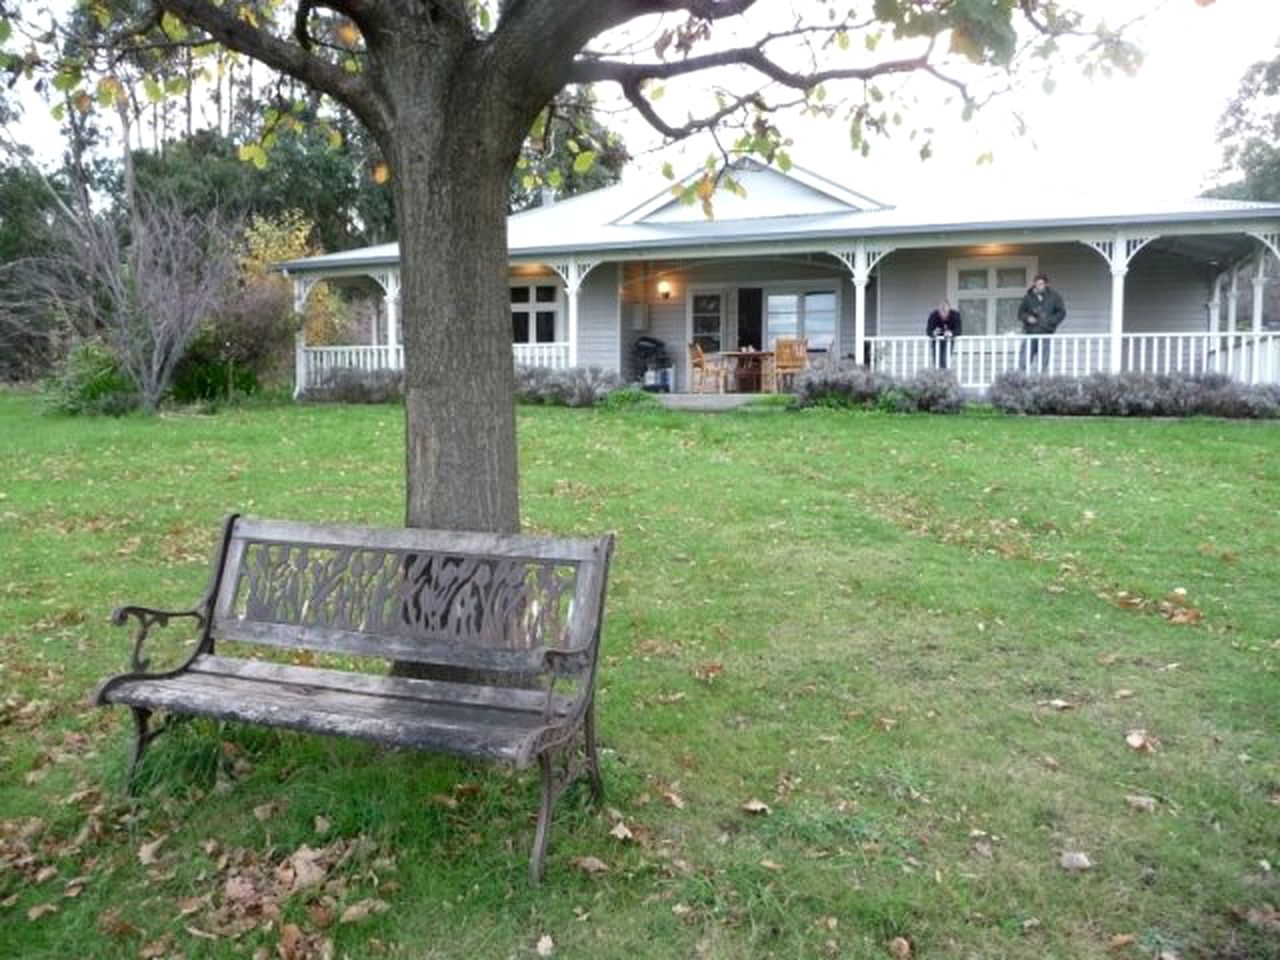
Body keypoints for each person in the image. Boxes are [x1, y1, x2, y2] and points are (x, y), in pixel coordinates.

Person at [1017, 273, 1066, 373]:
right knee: (1024, 360)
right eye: (1037, 284)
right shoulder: (1028, 297)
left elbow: (1061, 313)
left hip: (1045, 332)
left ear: (1046, 284)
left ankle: (1043, 382)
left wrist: (1050, 321)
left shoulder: (1054, 297)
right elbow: (1020, 313)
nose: (1039, 286)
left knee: (1044, 362)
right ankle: (1020, 381)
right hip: (1030, 333)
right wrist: (1027, 318)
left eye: (1041, 284)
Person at [925, 299, 961, 369]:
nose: (943, 313)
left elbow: (959, 330)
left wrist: (951, 333)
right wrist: (934, 333)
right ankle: (938, 377)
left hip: (949, 340)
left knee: (945, 359)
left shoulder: (955, 315)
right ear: (938, 310)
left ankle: (944, 377)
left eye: (945, 311)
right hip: (936, 341)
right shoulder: (933, 315)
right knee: (937, 361)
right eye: (941, 310)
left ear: (949, 309)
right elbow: (928, 331)